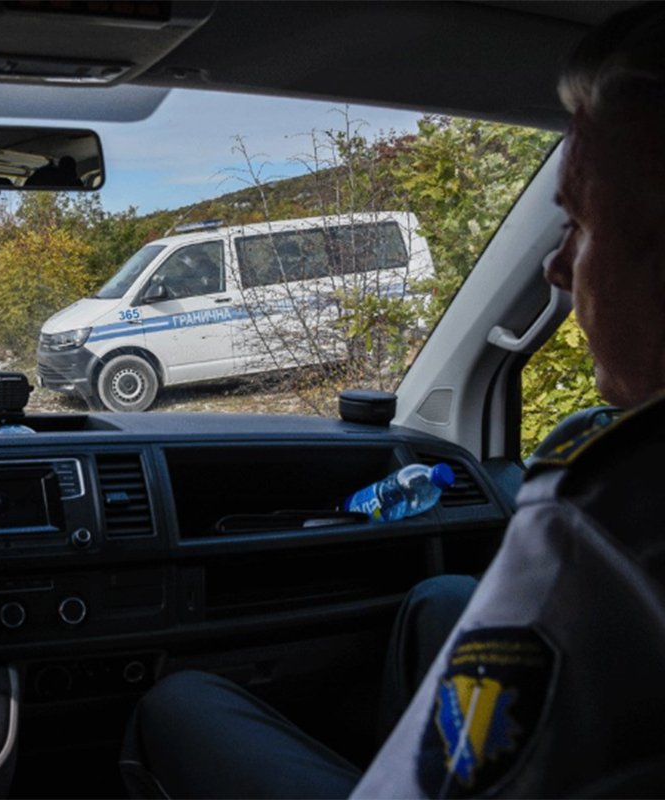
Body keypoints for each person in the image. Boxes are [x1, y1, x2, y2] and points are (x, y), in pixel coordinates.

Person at [123, 4, 665, 797]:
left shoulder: (612, 498)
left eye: (580, 223)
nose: (555, 267)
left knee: (176, 703)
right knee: (441, 599)